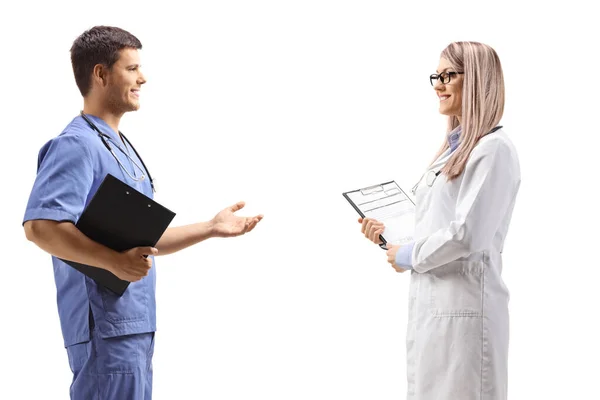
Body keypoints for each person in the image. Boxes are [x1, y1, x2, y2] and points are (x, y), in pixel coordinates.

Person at [22, 26, 263, 400]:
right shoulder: (76, 145)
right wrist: (112, 262)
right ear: (100, 74)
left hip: (132, 328)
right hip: (106, 331)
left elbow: (141, 240)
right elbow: (40, 226)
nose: (143, 78)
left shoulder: (118, 146)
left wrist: (211, 227)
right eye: (132, 69)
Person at [359, 41, 521, 400]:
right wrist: (392, 240)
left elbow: (467, 235)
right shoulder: (454, 148)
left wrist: (408, 254)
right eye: (437, 75)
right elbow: (437, 226)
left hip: (466, 318)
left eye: (449, 75)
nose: (438, 84)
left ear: (477, 79)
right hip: (437, 312)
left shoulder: (493, 150)